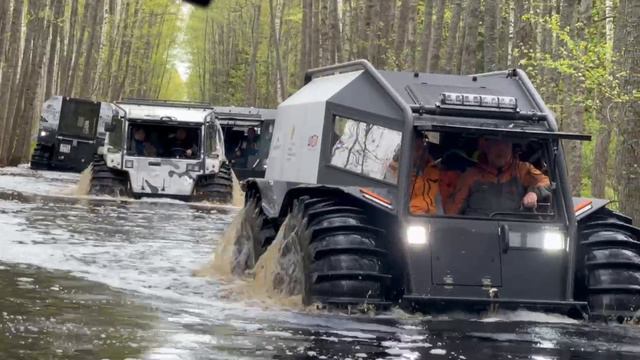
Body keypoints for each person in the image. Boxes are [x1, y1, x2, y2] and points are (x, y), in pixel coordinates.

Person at [445, 137, 551, 217]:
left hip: (515, 236)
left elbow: (546, 182)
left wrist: (534, 193)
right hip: (476, 235)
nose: (500, 149)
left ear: (512, 147)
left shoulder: (522, 170)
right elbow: (452, 211)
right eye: (495, 143)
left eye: (505, 144)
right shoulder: (471, 176)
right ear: (486, 147)